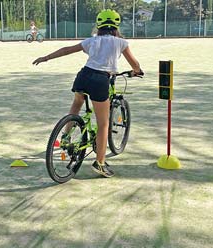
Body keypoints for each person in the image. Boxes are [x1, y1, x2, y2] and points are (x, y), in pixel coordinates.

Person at [32, 9, 142, 178]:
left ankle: (66, 136)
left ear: (99, 26)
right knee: (103, 124)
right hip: (100, 81)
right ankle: (100, 163)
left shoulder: (92, 41)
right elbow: (134, 63)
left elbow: (67, 49)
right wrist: (137, 70)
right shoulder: (121, 43)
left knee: (77, 104)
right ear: (116, 26)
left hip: (83, 76)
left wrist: (46, 57)